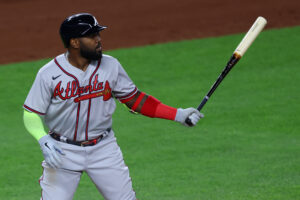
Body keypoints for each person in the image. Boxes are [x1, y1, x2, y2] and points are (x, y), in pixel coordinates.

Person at [23, 13, 203, 200]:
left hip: (103, 149)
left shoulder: (111, 66)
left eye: (98, 34)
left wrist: (178, 114)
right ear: (75, 42)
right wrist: (42, 138)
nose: (98, 39)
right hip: (62, 151)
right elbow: (31, 113)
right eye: (91, 36)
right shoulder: (48, 74)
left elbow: (136, 100)